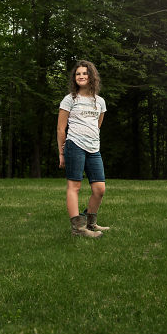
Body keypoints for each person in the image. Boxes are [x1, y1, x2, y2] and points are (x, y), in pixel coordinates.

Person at [57, 60, 110, 238]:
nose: (81, 76)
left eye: (85, 73)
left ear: (91, 77)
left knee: (99, 189)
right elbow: (60, 129)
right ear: (74, 78)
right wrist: (61, 153)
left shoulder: (100, 102)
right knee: (75, 186)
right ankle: (78, 230)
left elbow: (98, 125)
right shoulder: (69, 99)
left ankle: (90, 223)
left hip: (94, 149)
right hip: (74, 146)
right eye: (78, 74)